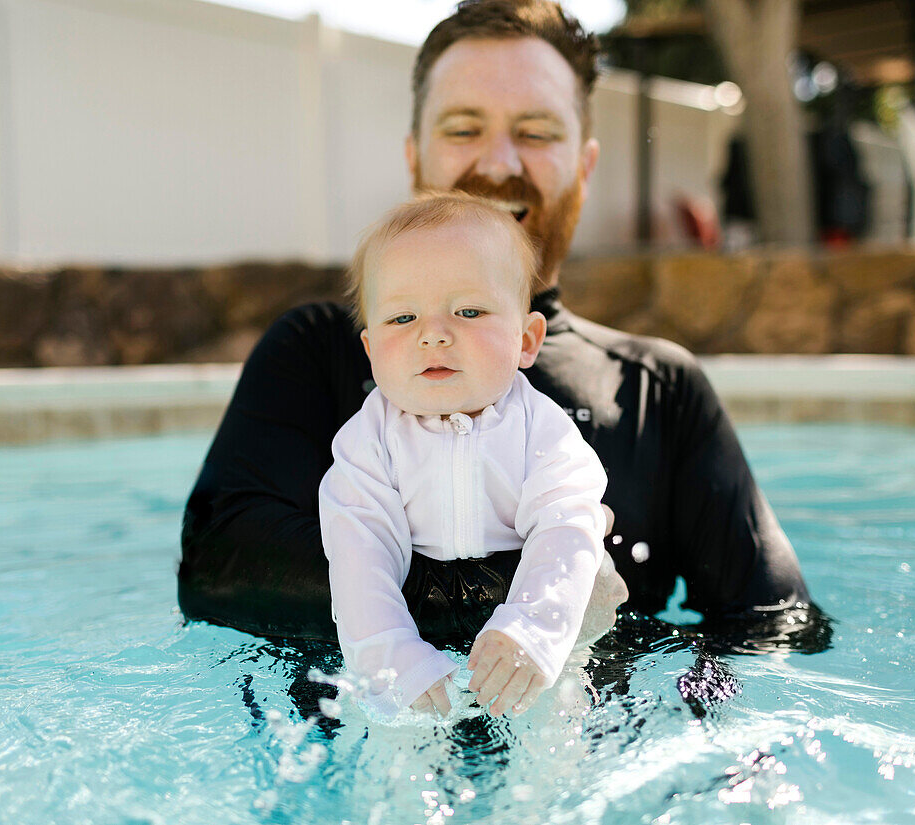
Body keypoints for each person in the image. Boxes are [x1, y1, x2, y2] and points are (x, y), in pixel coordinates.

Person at [179, 0, 817, 654]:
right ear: (413, 158)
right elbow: (216, 570)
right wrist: (539, 595)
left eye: (536, 131)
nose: (500, 161)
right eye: (463, 128)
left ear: (586, 168)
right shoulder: (316, 351)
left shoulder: (661, 391)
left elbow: (776, 628)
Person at [320, 192, 625, 719]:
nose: (433, 334)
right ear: (370, 351)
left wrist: (532, 628)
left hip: (541, 637)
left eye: (468, 311)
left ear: (526, 339)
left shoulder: (544, 431)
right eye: (402, 318)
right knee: (398, 738)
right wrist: (393, 661)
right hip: (416, 630)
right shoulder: (366, 443)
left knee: (559, 716)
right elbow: (357, 559)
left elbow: (567, 531)